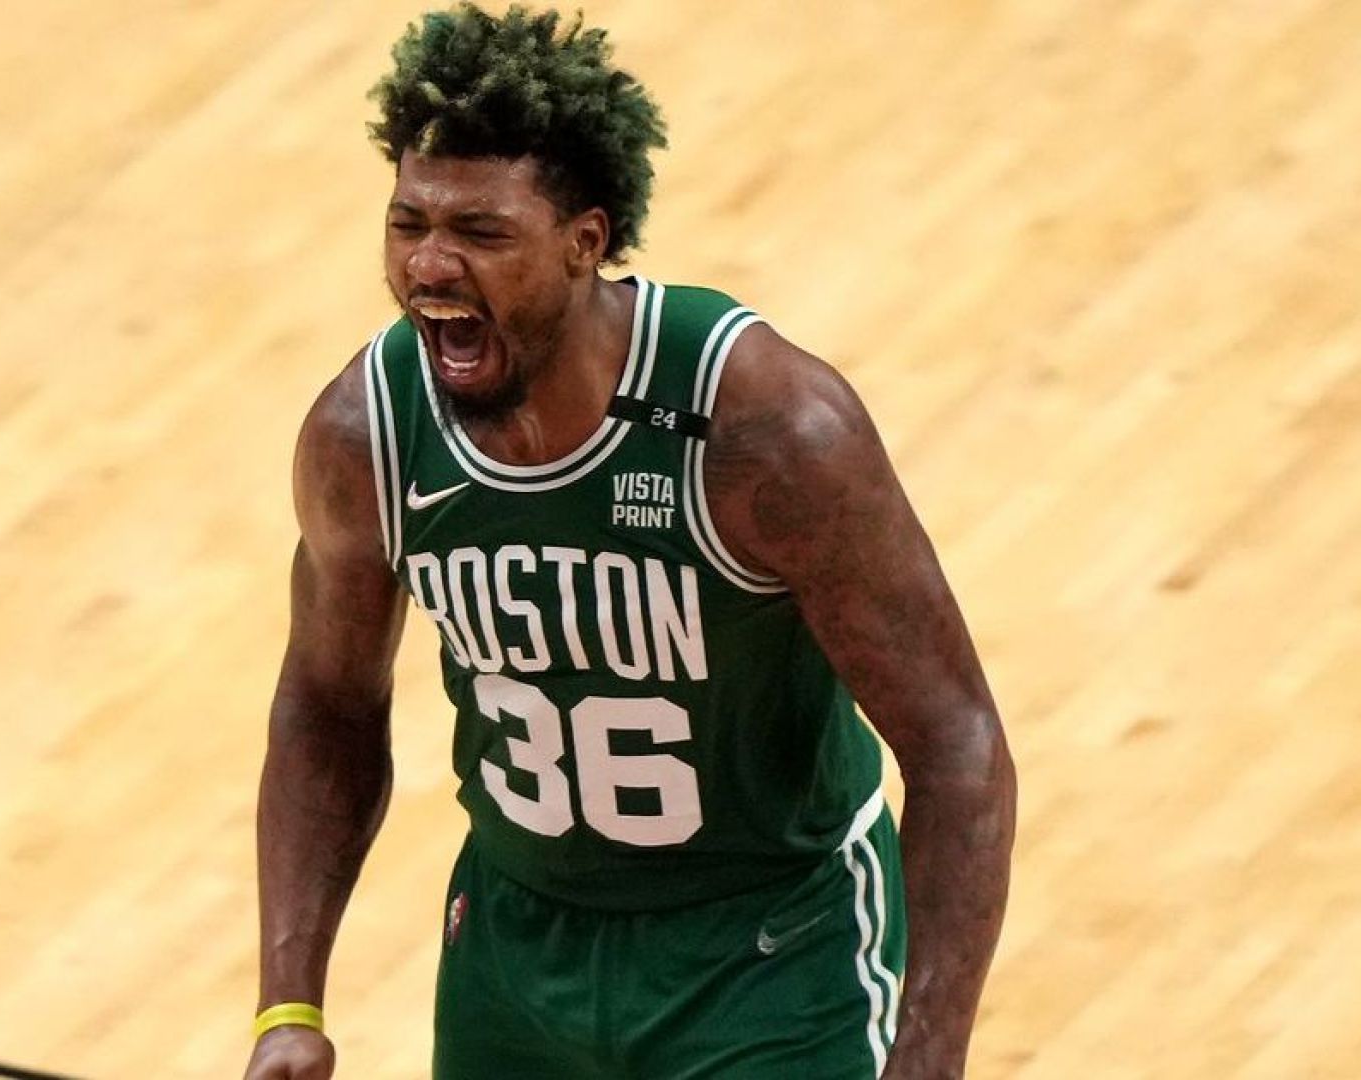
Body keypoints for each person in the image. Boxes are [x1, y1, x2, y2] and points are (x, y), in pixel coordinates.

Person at [245, 5, 1015, 1077]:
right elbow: (327, 706)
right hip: (515, 954)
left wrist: (927, 1059)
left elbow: (957, 744)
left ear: (586, 242)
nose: (430, 265)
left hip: (772, 957)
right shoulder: (368, 435)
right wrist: (287, 1005)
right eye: (408, 223)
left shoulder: (762, 429)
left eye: (480, 233)